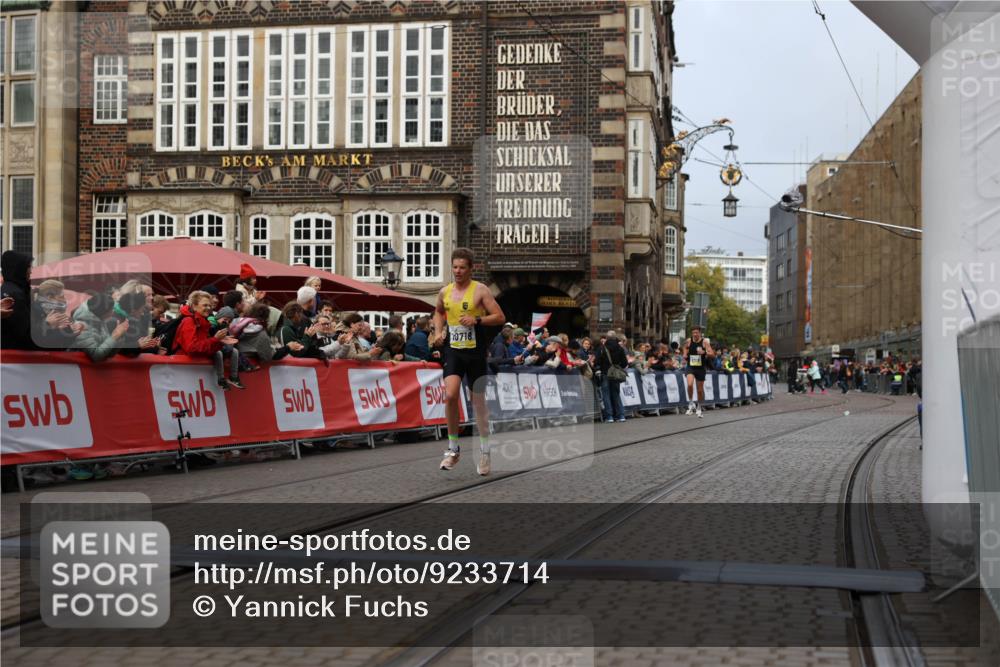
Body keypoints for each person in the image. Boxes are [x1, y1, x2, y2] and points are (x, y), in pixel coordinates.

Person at [429, 247, 506, 476]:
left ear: (471, 269)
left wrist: (477, 319)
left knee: (478, 402)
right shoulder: (445, 291)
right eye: (455, 267)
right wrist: (439, 331)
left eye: (463, 267)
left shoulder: (480, 290)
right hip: (453, 350)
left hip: (475, 353)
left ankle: (484, 450)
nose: (458, 271)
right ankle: (453, 449)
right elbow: (438, 312)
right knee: (451, 394)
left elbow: (500, 317)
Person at [173, 290, 241, 389]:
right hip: (184, 371)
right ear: (194, 306)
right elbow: (192, 348)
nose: (208, 308)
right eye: (205, 305)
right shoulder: (189, 321)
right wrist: (215, 339)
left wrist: (220, 342)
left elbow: (206, 349)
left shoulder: (204, 322)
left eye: (209, 305)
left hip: (195, 372)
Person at [231, 302, 303, 363]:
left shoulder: (238, 323)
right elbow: (270, 356)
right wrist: (288, 347)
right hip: (249, 368)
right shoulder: (260, 334)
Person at [71, 292, 131, 362]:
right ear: (103, 312)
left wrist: (119, 336)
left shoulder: (99, 322)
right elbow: (96, 356)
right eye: (111, 309)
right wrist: (114, 337)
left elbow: (109, 354)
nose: (113, 311)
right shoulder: (82, 327)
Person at [31, 279, 85, 349]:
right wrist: (47, 324)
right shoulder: (32, 313)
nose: (65, 300)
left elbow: (58, 343)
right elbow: (41, 342)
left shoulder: (56, 315)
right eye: (62, 297)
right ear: (50, 297)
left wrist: (70, 331)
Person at [682, 326, 714, 418]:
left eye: (697, 333)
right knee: (690, 384)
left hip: (700, 368)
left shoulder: (705, 342)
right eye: (693, 333)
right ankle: (691, 403)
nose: (695, 334)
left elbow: (712, 354)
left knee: (700, 390)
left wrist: (704, 352)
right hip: (691, 367)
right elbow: (684, 347)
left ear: (700, 333)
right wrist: (684, 354)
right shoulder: (689, 341)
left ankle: (699, 407)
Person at [597, 331, 628, 423]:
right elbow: (625, 363)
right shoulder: (620, 348)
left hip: (605, 373)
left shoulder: (602, 348)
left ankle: (609, 416)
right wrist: (617, 367)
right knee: (616, 394)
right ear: (615, 338)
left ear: (606, 337)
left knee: (606, 395)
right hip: (616, 374)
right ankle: (621, 415)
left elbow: (597, 361)